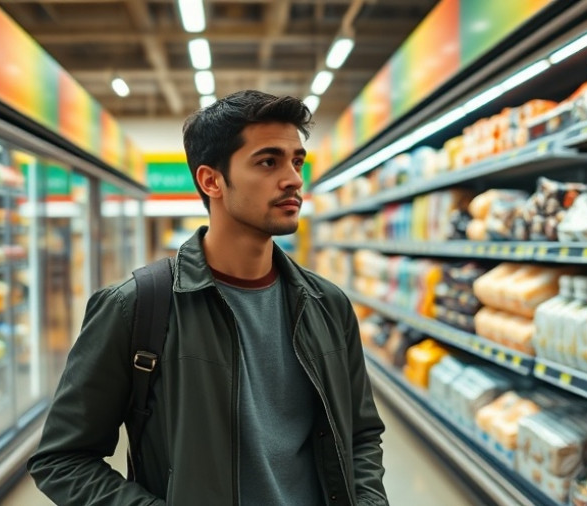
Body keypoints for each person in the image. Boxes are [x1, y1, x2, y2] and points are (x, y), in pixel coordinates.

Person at [28, 90, 388, 505]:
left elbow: (360, 435)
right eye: (268, 161)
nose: (293, 179)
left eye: (297, 161)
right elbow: (62, 458)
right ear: (211, 180)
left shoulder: (328, 305)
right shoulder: (137, 307)